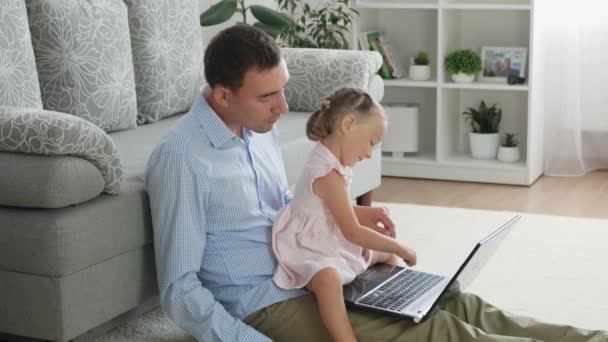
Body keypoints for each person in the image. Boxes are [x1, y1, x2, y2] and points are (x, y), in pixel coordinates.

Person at [145, 24, 608, 341]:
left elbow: (287, 208)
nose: (284, 108)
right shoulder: (183, 158)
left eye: (283, 89)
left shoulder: (256, 130)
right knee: (435, 331)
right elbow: (179, 288)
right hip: (266, 298)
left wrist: (348, 224)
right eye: (268, 96)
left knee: (453, 301)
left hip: (315, 264)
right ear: (223, 95)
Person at [271, 87, 416, 342]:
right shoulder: (327, 175)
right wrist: (401, 247)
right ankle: (346, 338)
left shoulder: (333, 165)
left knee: (384, 254)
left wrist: (364, 211)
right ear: (348, 124)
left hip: (328, 235)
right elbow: (352, 232)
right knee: (328, 280)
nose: (370, 153)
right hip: (309, 247)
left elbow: (329, 209)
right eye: (371, 142)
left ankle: (391, 306)